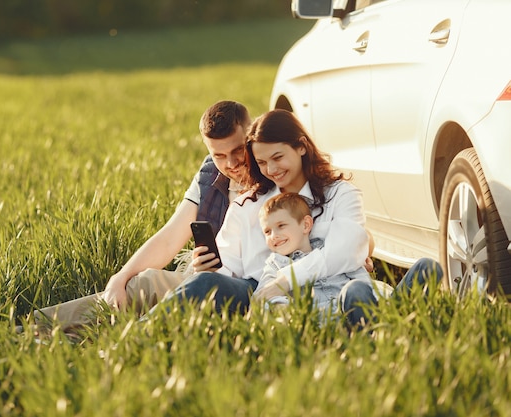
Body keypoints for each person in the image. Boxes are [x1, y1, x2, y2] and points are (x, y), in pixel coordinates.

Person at [32, 100, 252, 331]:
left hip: (234, 284)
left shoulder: (271, 173)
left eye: (238, 151)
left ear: (251, 136)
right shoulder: (210, 174)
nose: (231, 163)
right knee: (138, 285)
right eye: (219, 155)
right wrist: (121, 275)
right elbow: (169, 239)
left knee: (151, 291)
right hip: (201, 274)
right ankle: (33, 328)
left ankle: (62, 334)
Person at [169, 109, 371, 317]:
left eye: (277, 157)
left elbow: (348, 249)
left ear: (301, 147)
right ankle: (140, 335)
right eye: (262, 163)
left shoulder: (340, 193)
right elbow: (226, 269)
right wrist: (207, 268)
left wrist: (284, 281)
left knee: (364, 290)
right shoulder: (246, 206)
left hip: (334, 292)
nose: (271, 169)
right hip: (262, 295)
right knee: (204, 283)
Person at [257, 192, 371, 313]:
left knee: (356, 288)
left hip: (347, 314)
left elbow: (362, 281)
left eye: (281, 225)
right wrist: (282, 306)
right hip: (312, 321)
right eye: (267, 232)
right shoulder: (275, 264)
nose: (274, 236)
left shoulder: (329, 250)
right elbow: (263, 294)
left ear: (306, 225)